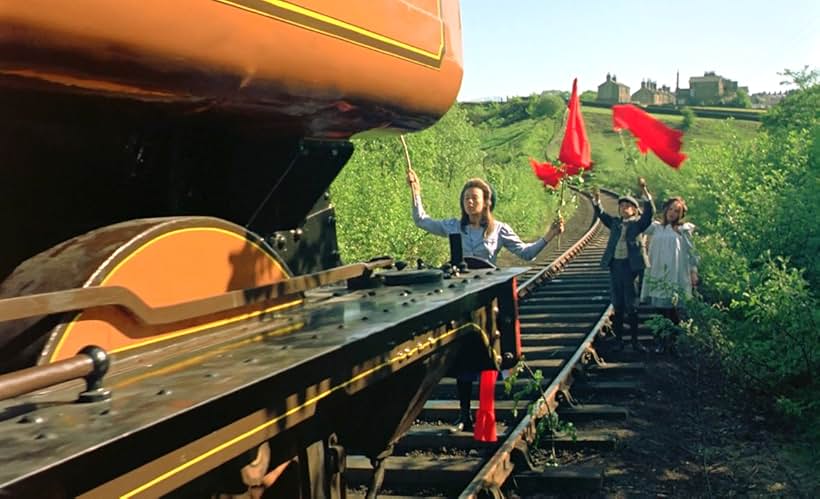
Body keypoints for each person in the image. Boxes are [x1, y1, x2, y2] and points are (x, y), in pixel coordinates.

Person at [407, 167, 564, 432]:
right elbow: (422, 220)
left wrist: (549, 235)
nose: (469, 202)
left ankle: (485, 416)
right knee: (462, 357)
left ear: (486, 201)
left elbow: (526, 254)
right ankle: (464, 415)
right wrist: (416, 191)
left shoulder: (499, 230)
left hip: (487, 301)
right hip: (460, 299)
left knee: (488, 355)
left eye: (474, 198)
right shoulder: (453, 227)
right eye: (466, 198)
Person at [592, 178, 655, 352]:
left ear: (635, 210)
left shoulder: (638, 224)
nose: (624, 208)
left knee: (632, 304)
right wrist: (597, 200)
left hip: (631, 267)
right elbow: (602, 215)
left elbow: (650, 213)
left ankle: (634, 341)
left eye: (628, 206)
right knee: (618, 304)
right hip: (615, 266)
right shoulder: (615, 223)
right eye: (622, 206)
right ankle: (619, 339)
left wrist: (645, 190)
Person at [641, 196, 699, 353]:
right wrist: (646, 199)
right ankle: (660, 342)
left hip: (676, 273)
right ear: (665, 209)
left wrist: (693, 272)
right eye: (671, 209)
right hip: (658, 272)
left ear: (681, 214)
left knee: (673, 310)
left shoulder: (683, 230)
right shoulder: (656, 228)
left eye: (677, 211)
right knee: (659, 310)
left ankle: (675, 342)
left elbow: (692, 252)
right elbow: (641, 224)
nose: (672, 213)